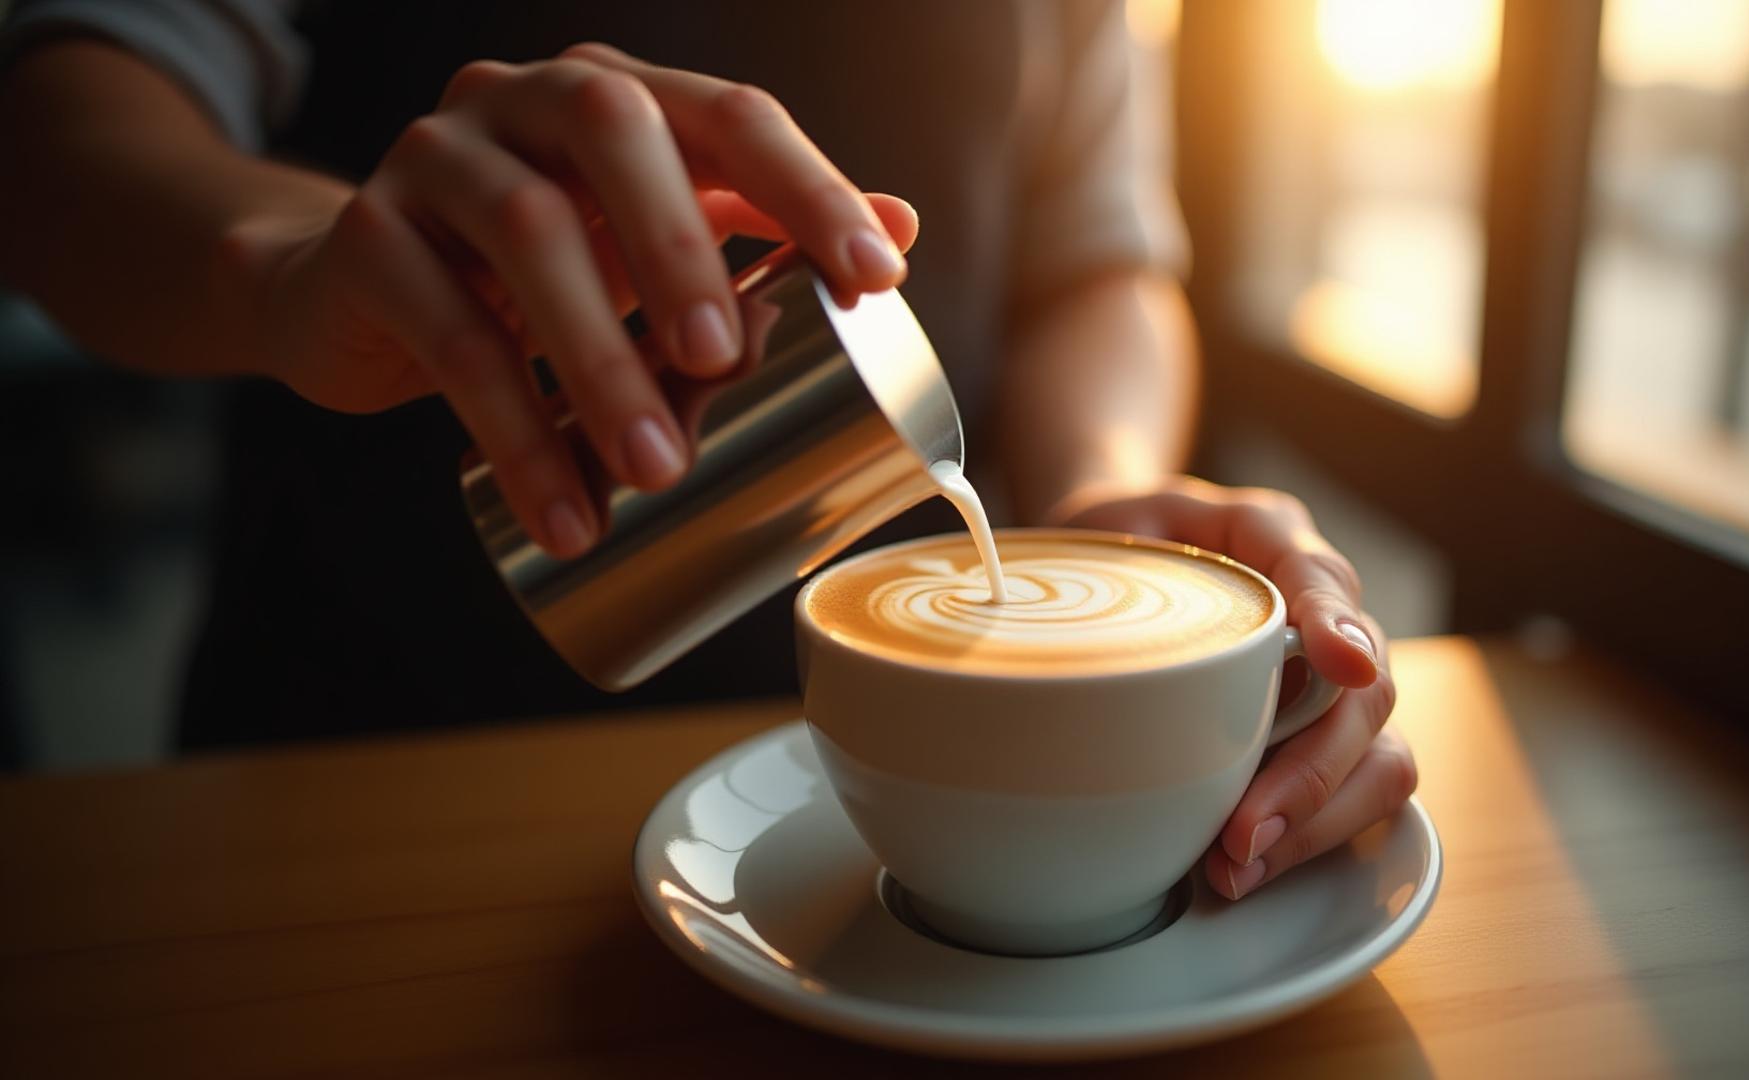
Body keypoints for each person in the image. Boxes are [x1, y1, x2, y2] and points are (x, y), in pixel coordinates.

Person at [0, 1, 1412, 902]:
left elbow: (1097, 262)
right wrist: (285, 265)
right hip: (353, 812)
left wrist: (1103, 509)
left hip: (891, 825)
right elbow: (62, 112)